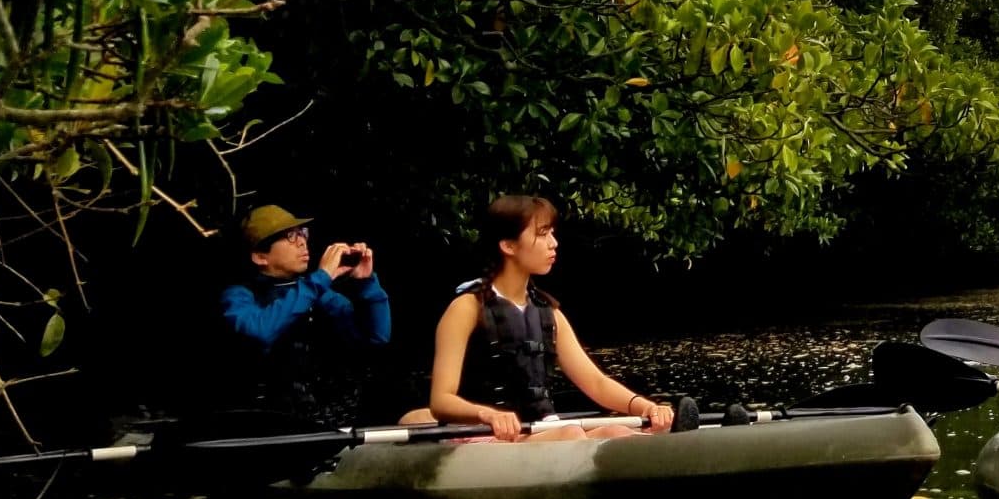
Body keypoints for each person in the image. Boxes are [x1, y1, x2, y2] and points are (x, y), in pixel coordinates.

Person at [410, 194, 691, 439]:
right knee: (571, 434)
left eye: (552, 233)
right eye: (542, 234)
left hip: (538, 431)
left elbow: (596, 383)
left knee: (615, 431)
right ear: (508, 245)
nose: (553, 243)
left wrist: (644, 406)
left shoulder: (549, 312)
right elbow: (441, 400)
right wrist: (488, 415)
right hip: (481, 436)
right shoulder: (465, 309)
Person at [219, 203, 392, 430]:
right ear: (261, 257)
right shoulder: (240, 296)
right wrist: (320, 279)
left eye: (302, 233)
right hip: (268, 428)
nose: (302, 241)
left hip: (332, 423)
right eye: (290, 236)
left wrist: (365, 284)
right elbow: (260, 332)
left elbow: (375, 337)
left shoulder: (318, 293)